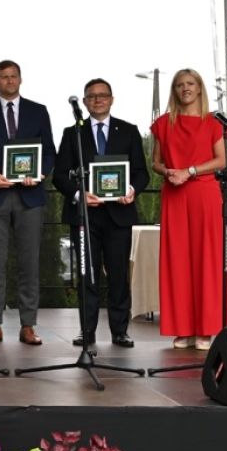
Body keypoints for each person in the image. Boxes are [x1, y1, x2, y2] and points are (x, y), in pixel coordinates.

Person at [52, 78, 149, 349]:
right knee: (87, 275)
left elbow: (141, 173)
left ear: (112, 99)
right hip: (85, 216)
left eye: (103, 95)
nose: (98, 100)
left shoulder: (128, 131)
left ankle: (120, 331)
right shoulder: (73, 133)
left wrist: (131, 189)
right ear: (84, 102)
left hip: (119, 215)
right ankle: (87, 331)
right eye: (92, 96)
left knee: (118, 275)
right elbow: (60, 175)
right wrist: (78, 194)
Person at [0, 60, 54, 345]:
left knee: (29, 264)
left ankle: (28, 325)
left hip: (30, 196)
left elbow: (49, 152)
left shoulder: (38, 111)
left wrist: (39, 173)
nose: (10, 81)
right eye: (4, 77)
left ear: (21, 79)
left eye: (14, 76)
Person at [149, 68, 227, 351]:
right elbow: (155, 162)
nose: (185, 88)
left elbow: (221, 161)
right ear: (174, 90)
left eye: (190, 83)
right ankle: (182, 328)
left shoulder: (213, 123)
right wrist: (169, 171)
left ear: (199, 88)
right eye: (180, 84)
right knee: (177, 260)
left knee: (207, 258)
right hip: (174, 194)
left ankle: (206, 329)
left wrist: (190, 171)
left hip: (204, 194)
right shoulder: (163, 123)